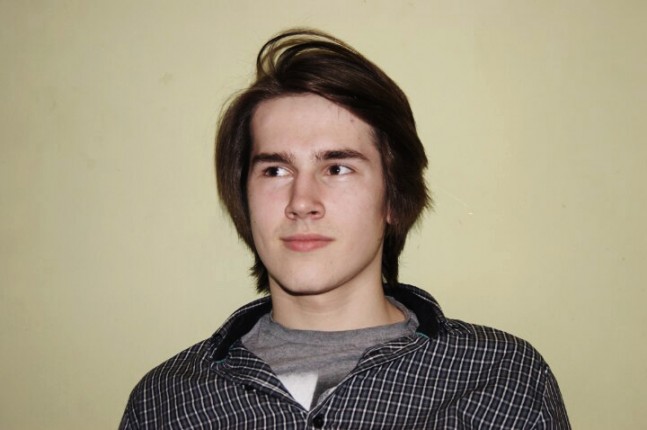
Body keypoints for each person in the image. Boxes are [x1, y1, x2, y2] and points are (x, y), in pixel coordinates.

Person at [119, 28, 570, 429]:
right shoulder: (165, 403)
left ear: (393, 198)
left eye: (337, 168)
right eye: (275, 170)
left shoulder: (502, 380)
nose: (301, 202)